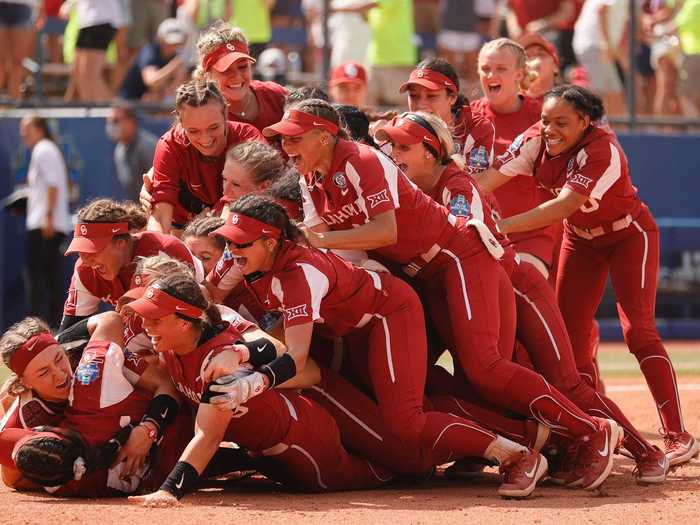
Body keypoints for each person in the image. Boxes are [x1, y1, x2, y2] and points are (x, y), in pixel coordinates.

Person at [260, 100, 622, 491]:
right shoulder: (309, 179)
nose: (286, 147)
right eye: (282, 138)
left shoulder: (361, 159)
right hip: (426, 274)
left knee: (488, 367)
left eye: (294, 137)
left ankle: (592, 429)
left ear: (323, 134)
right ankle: (540, 442)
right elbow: (338, 251)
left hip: (456, 256)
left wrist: (315, 240)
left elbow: (385, 232)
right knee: (460, 381)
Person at [377, 110, 669, 484]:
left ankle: (644, 451)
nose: (393, 153)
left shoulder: (456, 185)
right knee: (480, 378)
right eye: (391, 145)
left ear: (431, 152)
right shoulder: (411, 189)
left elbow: (465, 246)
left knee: (563, 380)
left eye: (404, 146)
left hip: (516, 286)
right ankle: (551, 446)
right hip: (473, 293)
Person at [207, 195, 549, 498]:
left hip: (389, 313)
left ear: (270, 243)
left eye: (242, 243)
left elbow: (296, 357)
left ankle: (516, 455)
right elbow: (208, 299)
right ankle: (521, 434)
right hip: (351, 331)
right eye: (229, 243)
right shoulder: (237, 259)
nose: (232, 251)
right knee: (399, 428)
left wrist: (250, 381)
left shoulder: (299, 273)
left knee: (406, 420)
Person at [476, 84, 698, 467]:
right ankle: (594, 427)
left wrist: (499, 226)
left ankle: (678, 435)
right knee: (569, 340)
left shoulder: (603, 149)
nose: (550, 129)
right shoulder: (535, 141)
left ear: (585, 121)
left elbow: (562, 206)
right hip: (580, 240)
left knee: (638, 331)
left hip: (629, 234)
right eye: (545, 120)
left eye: (562, 122)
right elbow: (488, 179)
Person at [124, 270, 396, 507]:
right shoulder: (174, 346)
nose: (146, 326)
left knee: (364, 476)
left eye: (155, 319)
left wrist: (169, 491)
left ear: (184, 322)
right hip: (263, 449)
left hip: (300, 440)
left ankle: (410, 467)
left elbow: (208, 436)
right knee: (284, 483)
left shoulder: (218, 363)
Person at [0, 314, 188, 496]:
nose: (59, 374)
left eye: (58, 358)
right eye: (43, 372)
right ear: (25, 383)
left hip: (173, 432)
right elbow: (11, 479)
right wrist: (64, 471)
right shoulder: (25, 416)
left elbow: (167, 385)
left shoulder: (91, 366)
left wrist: (148, 430)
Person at [471, 38, 553, 280]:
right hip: (481, 235)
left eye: (500, 69)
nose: (491, 75)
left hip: (532, 235)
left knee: (520, 281)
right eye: (485, 69)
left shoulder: (542, 117)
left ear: (519, 75)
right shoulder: (468, 117)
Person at [59, 198, 204, 332]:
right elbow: (68, 334)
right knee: (108, 323)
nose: (86, 260)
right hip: (145, 336)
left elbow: (197, 314)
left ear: (120, 243)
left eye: (92, 250)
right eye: (81, 251)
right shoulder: (85, 270)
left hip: (190, 327)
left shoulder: (165, 250)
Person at [147, 79, 264, 234]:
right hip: (184, 232)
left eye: (213, 127)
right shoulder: (170, 145)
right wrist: (160, 253)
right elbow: (160, 216)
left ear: (226, 114)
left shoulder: (247, 138)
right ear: (180, 122)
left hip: (234, 229)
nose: (205, 139)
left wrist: (205, 228)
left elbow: (246, 205)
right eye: (193, 131)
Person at [19, 115, 72, 328]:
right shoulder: (46, 149)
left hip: (45, 225)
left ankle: (38, 328)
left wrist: (48, 216)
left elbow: (53, 186)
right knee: (47, 278)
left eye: (27, 128)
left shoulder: (43, 149)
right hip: (45, 222)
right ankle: (51, 327)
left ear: (40, 129)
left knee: (40, 280)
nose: (23, 133)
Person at [194, 20, 287, 132]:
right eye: (226, 69)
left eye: (242, 66)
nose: (237, 76)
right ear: (207, 74)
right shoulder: (200, 114)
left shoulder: (275, 95)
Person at [398, 57, 495, 160]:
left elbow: (478, 176)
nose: (421, 105)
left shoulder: (476, 128)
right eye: (413, 96)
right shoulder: (400, 128)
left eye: (431, 96)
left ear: (452, 98)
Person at [118, 17, 189, 102]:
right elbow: (151, 81)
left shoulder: (176, 56)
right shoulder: (150, 51)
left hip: (152, 105)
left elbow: (173, 90)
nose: (173, 46)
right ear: (160, 39)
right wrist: (174, 65)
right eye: (169, 42)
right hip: (131, 102)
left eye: (176, 43)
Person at [365, 0, 417, 107]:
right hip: (376, 58)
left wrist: (333, 9)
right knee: (367, 104)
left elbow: (372, 4)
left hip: (397, 59)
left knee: (404, 106)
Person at [106, 101, 158, 201]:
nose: (111, 125)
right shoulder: (119, 150)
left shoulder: (147, 146)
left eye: (115, 121)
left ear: (131, 122)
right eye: (109, 121)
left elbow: (162, 184)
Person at [72, 0, 123, 102]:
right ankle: (92, 113)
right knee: (78, 73)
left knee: (90, 76)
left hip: (101, 20)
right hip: (87, 21)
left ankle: (116, 113)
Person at [0, 0, 38, 99]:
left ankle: (14, 101)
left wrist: (39, 10)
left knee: (17, 61)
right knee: (1, 62)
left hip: (23, 8)